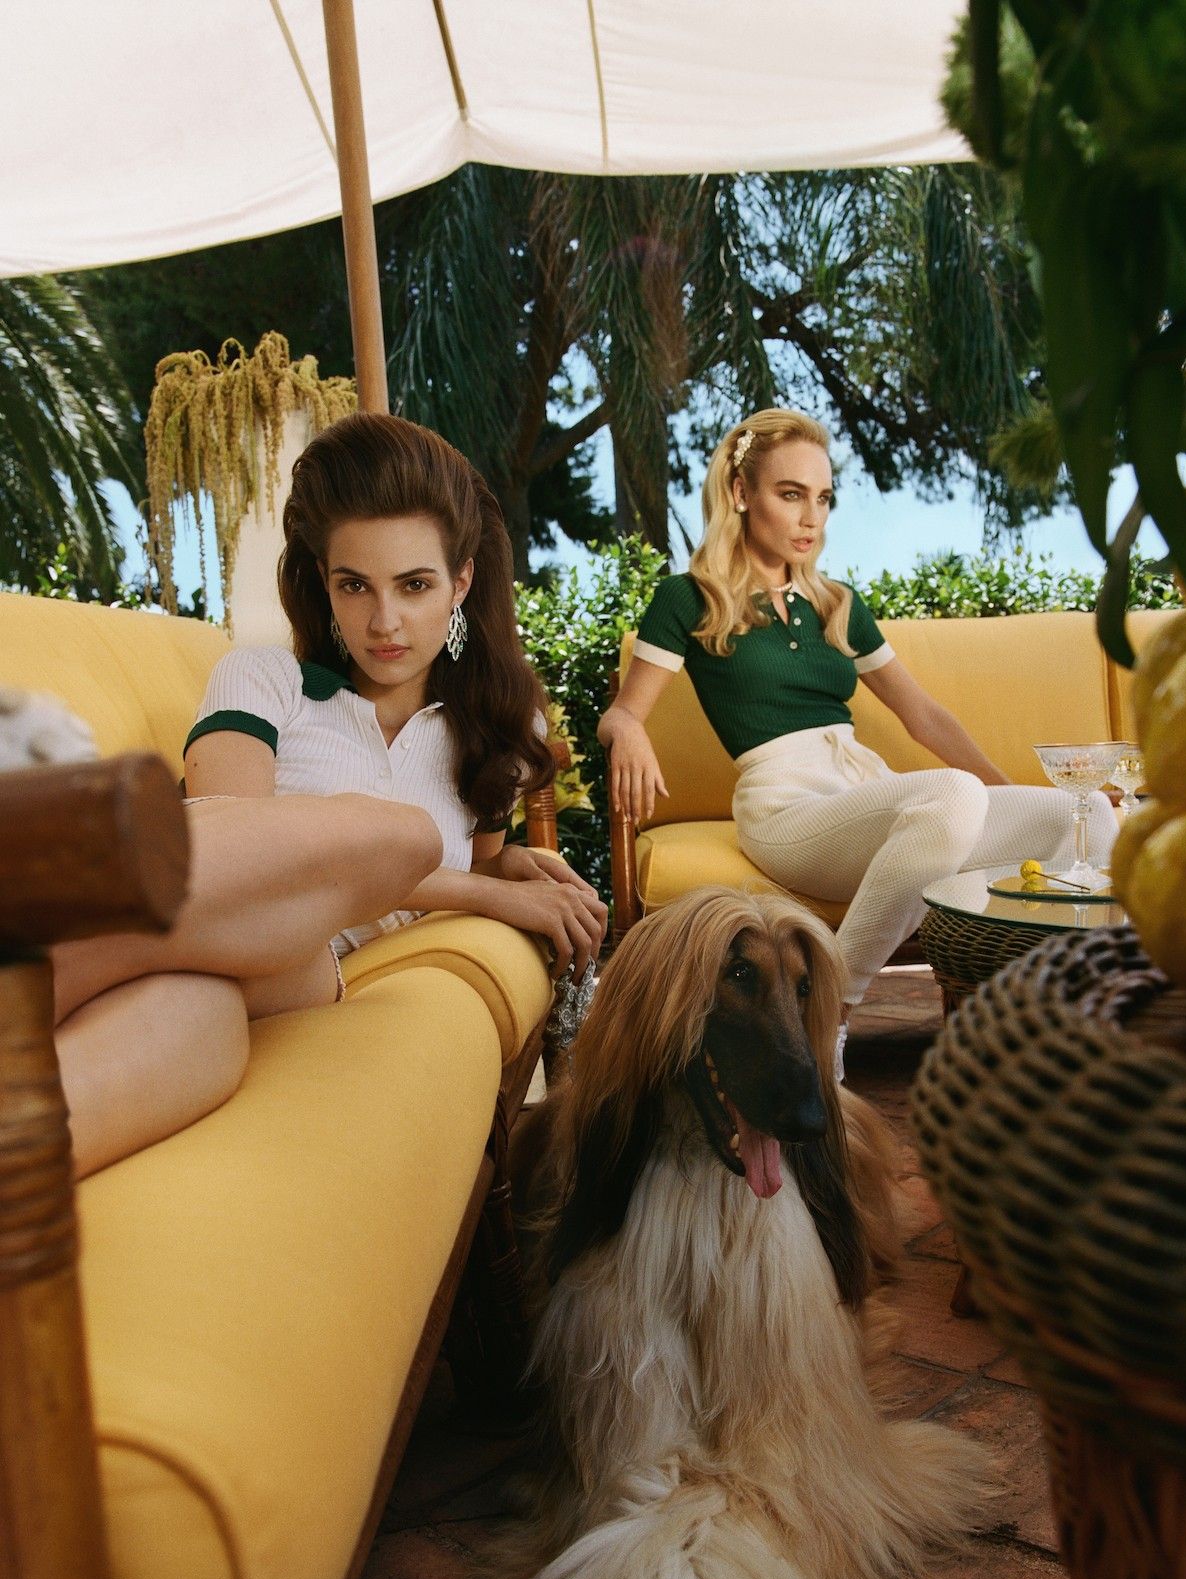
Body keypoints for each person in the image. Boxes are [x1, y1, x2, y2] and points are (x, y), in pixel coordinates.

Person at [53, 412, 606, 1178]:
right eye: (354, 585)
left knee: (208, 1029)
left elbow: (470, 863)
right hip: (216, 923)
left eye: (414, 585)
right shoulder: (265, 680)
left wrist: (500, 869)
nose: (383, 622)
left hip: (309, 971)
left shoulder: (498, 728)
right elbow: (234, 853)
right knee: (383, 848)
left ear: (461, 581)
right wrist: (487, 893)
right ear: (323, 579)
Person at [597, 407, 1113, 1071]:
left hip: (865, 791)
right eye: (791, 495)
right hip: (786, 807)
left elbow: (923, 716)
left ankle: (1070, 1015)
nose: (811, 517)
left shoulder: (836, 604)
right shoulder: (689, 598)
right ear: (740, 493)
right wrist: (630, 731)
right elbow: (622, 715)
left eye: (823, 499)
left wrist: (1007, 796)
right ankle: (829, 1013)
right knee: (952, 796)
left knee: (1081, 813)